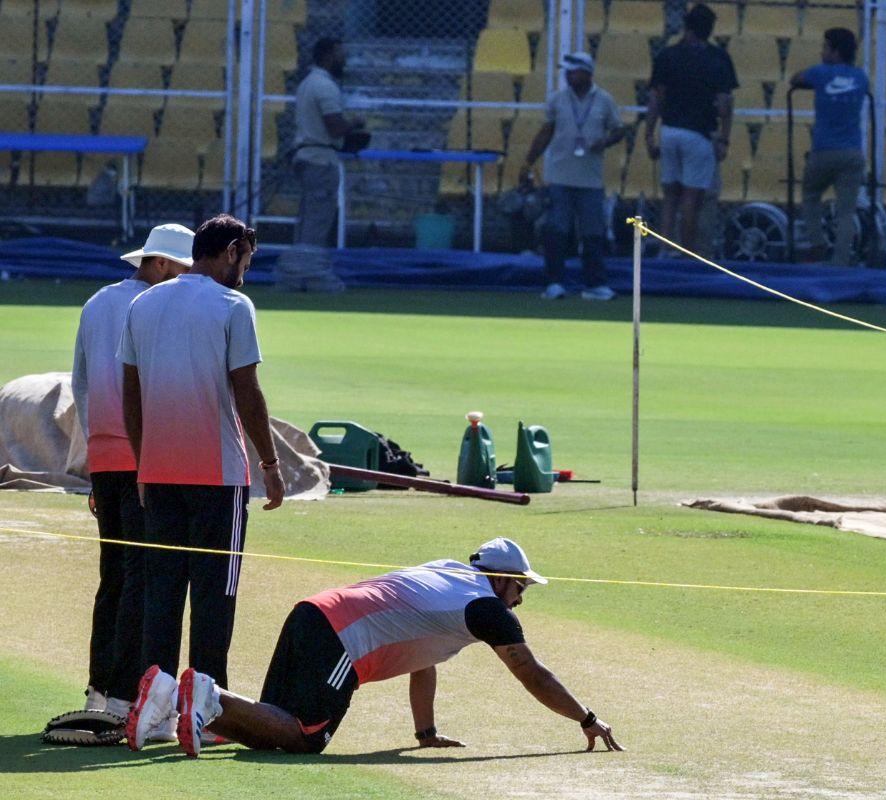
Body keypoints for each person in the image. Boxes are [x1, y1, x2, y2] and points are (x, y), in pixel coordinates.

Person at [125, 537, 623, 758]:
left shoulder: (452, 574)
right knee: (305, 737)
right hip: (341, 636)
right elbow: (532, 673)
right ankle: (206, 695)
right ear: (500, 578)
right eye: (521, 587)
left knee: (270, 727)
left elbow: (426, 659)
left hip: (312, 612)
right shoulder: (489, 609)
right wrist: (585, 717)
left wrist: (425, 732)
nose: (521, 598)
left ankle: (170, 694)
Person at [120, 214, 286, 750]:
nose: (247, 272)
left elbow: (131, 392)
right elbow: (247, 391)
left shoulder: (144, 302)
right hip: (218, 475)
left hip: (159, 473)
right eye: (247, 260)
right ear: (233, 250)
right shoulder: (233, 306)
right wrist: (271, 463)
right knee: (216, 596)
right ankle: (211, 715)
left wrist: (144, 464)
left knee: (162, 594)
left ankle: (157, 708)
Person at [63, 224, 192, 735]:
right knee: (144, 578)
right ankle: (123, 698)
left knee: (114, 576)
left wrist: (97, 451)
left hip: (103, 458)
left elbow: (80, 381)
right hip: (146, 459)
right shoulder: (159, 308)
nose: (185, 280)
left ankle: (101, 689)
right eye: (181, 270)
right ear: (159, 264)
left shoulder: (97, 303)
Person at [521, 51, 625, 301]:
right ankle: (554, 282)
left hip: (590, 178)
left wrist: (605, 141)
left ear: (587, 73)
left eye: (573, 70)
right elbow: (546, 131)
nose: (568, 75)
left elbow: (619, 130)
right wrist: (528, 161)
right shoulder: (557, 99)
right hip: (559, 175)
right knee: (556, 230)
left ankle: (595, 284)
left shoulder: (604, 100)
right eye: (567, 71)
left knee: (592, 232)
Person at [644, 3, 738, 253]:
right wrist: (724, 138)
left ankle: (665, 248)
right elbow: (724, 103)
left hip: (670, 130)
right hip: (699, 134)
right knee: (691, 197)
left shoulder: (668, 55)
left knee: (670, 195)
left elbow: (657, 97)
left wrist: (649, 133)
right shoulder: (718, 58)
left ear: (686, 26)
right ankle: (686, 252)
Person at [276, 37, 364, 292]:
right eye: (340, 54)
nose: (344, 59)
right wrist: (355, 123)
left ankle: (295, 275)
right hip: (320, 159)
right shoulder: (325, 86)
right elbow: (335, 127)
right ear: (327, 56)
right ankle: (310, 276)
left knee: (307, 218)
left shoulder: (307, 84)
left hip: (308, 156)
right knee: (317, 219)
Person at [789, 28, 869, 267]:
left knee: (811, 194)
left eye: (825, 47)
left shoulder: (820, 73)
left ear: (835, 51)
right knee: (846, 211)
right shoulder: (861, 77)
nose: (821, 51)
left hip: (824, 150)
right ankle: (841, 262)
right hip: (852, 152)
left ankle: (817, 242)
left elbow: (795, 79)